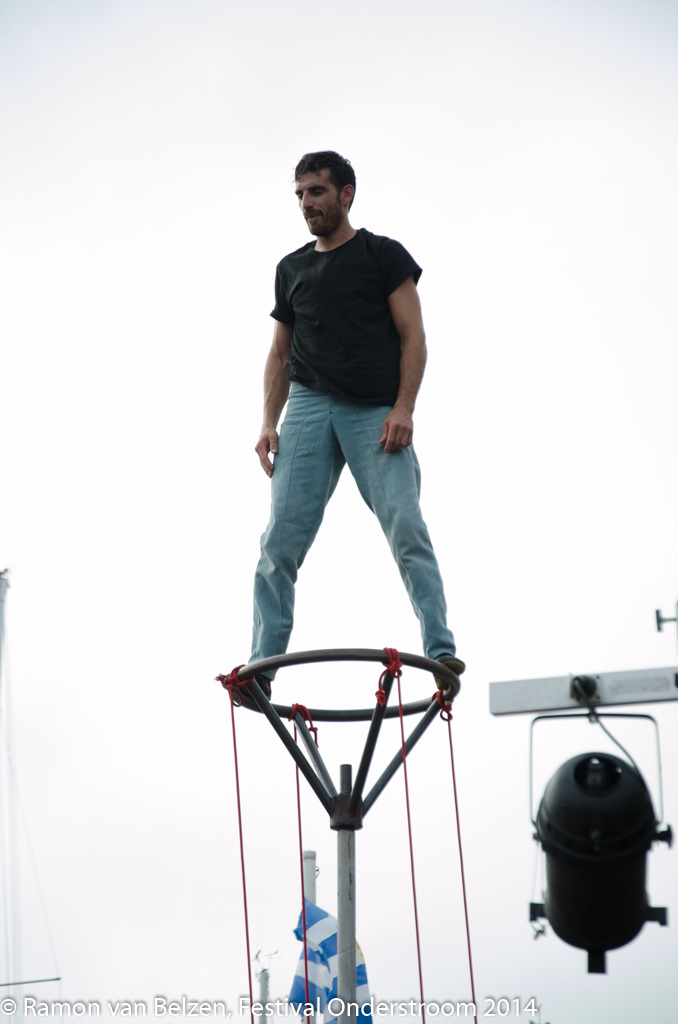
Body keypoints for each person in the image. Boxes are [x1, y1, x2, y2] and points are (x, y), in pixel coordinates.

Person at [240, 151, 463, 708]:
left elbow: (414, 338)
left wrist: (404, 408)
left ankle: (440, 649)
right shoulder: (291, 269)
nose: (306, 203)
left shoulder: (382, 255)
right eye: (300, 194)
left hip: (373, 409)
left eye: (317, 191)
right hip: (308, 408)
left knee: (405, 524)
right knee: (278, 541)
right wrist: (268, 422)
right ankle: (262, 667)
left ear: (346, 194)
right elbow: (279, 354)